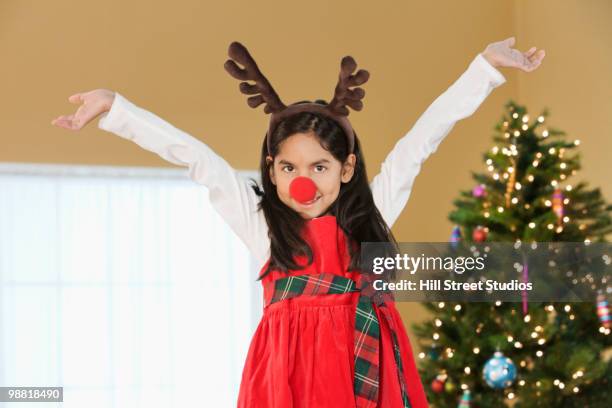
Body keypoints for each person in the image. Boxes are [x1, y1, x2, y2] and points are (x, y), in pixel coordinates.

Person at [51, 37, 545, 408]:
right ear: (270, 168)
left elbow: (421, 141)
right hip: (285, 379)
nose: (302, 183)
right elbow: (199, 160)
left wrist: (484, 68)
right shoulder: (263, 226)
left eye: (319, 168)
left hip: (361, 368)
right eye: (288, 168)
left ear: (346, 169)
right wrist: (117, 107)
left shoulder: (370, 214)